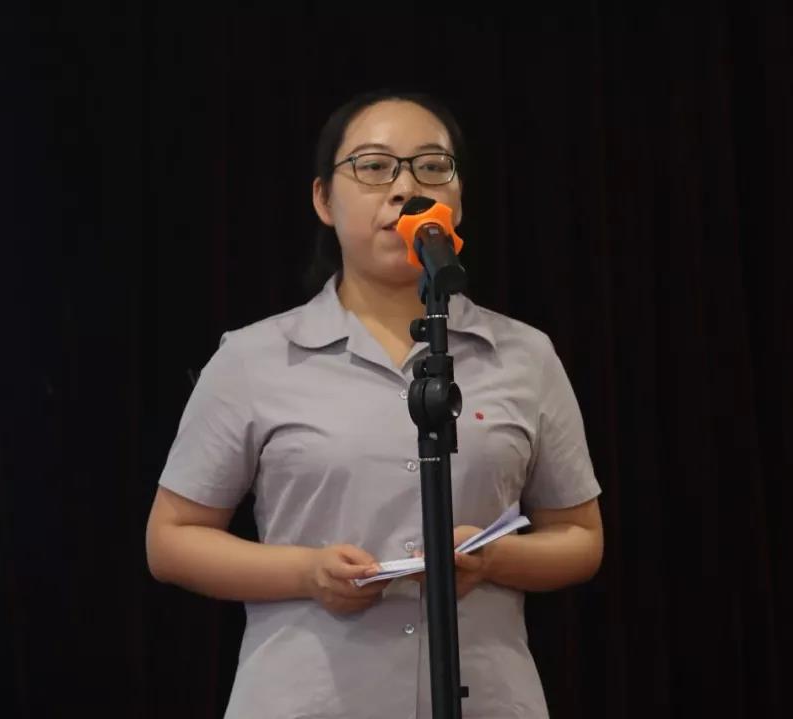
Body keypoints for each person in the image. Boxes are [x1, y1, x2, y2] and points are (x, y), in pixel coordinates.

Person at [145, 89, 604, 719]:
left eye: (431, 167)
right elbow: (172, 539)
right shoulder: (255, 358)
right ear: (322, 200)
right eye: (374, 167)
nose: (405, 188)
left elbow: (580, 537)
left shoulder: (524, 355)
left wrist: (494, 557)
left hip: (486, 699)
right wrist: (308, 573)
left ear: (458, 200)